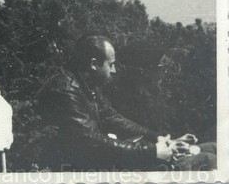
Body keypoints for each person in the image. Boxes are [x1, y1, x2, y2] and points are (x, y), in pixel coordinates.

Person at [35, 34, 216, 171]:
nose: (114, 70)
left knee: (214, 148)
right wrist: (152, 151)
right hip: (81, 172)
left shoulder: (85, 85)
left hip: (105, 161)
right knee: (209, 159)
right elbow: (91, 141)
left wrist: (157, 138)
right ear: (94, 64)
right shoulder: (66, 91)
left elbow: (113, 118)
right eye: (111, 64)